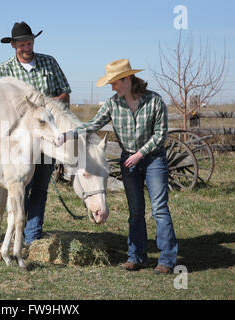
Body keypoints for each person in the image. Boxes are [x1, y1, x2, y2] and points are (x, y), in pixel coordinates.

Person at [0, 21, 71, 245]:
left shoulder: (50, 63)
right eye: (22, 45)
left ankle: (32, 238)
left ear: (33, 42)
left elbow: (65, 94)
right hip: (20, 144)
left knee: (39, 188)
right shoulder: (6, 69)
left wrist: (49, 105)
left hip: (46, 137)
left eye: (29, 43)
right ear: (13, 46)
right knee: (20, 187)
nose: (26, 48)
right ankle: (17, 235)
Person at [62, 59, 178, 274]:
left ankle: (167, 260)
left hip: (153, 160)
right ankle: (136, 257)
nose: (112, 87)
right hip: (129, 162)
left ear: (127, 79)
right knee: (135, 211)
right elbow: (93, 125)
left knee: (159, 209)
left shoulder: (154, 101)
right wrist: (69, 135)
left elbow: (161, 135)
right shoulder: (113, 104)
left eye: (114, 83)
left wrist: (140, 154)